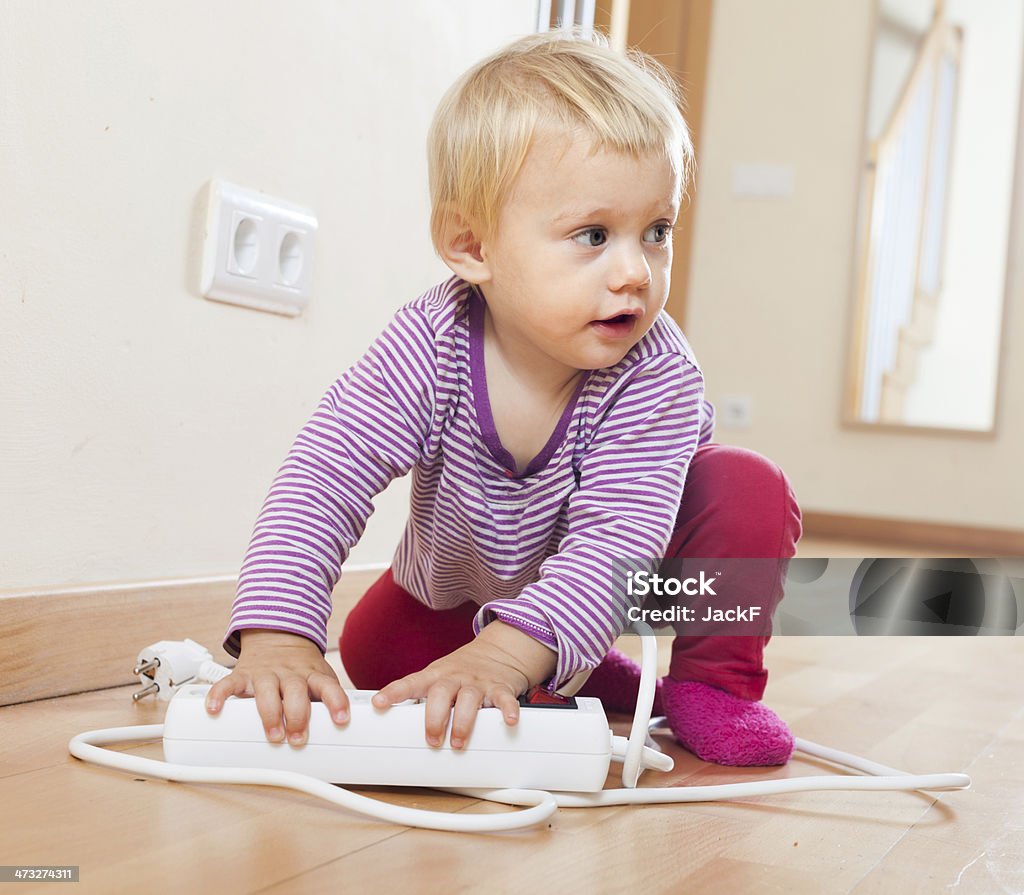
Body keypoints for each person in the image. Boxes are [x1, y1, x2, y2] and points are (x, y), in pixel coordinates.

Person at [205, 30, 802, 767]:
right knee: (372, 649)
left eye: (656, 231)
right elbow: (323, 475)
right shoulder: (430, 343)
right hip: (458, 593)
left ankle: (710, 687)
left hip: (613, 579)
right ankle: (567, 671)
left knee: (748, 484)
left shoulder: (658, 375)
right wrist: (279, 636)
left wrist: (504, 657)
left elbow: (616, 547)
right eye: (593, 234)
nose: (636, 272)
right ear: (473, 247)